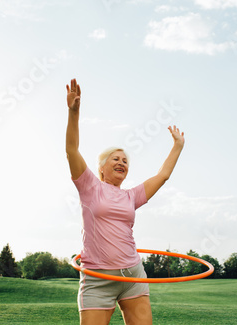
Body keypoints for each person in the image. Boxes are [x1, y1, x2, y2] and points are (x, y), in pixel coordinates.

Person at [65, 78, 185, 325]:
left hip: (132, 275)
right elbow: (72, 150)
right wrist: (73, 112)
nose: (121, 162)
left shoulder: (131, 196)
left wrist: (177, 146)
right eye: (115, 159)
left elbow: (162, 176)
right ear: (101, 168)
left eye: (125, 161)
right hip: (97, 278)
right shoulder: (89, 186)